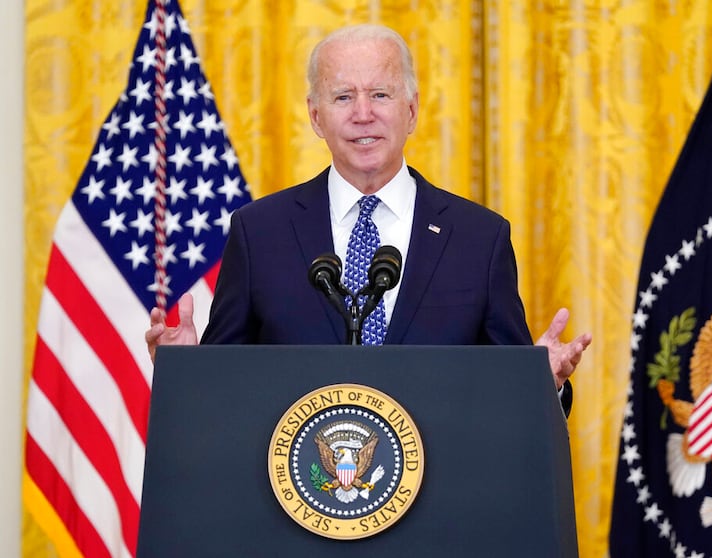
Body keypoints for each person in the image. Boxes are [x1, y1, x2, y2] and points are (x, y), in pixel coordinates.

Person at [145, 23, 591, 412]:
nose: (363, 114)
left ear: (411, 110)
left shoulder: (480, 238)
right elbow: (226, 390)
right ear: (316, 117)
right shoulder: (260, 232)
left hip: (444, 499)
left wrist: (542, 384)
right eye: (343, 97)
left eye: (380, 94)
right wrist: (186, 370)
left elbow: (505, 396)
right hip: (296, 498)